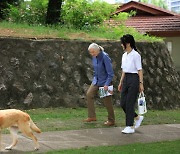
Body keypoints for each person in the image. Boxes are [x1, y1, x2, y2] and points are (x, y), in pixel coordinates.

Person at [84, 43, 115, 126]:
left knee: (107, 101)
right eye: (90, 52)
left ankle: (111, 120)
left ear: (98, 50)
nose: (92, 54)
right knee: (89, 94)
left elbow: (110, 73)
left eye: (93, 52)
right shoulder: (94, 57)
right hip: (96, 81)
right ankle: (92, 116)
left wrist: (106, 84)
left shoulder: (105, 57)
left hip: (105, 82)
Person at [118, 34, 144, 134]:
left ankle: (129, 126)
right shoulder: (124, 55)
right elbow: (124, 70)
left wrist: (141, 83)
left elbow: (139, 70)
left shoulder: (136, 55)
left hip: (134, 79)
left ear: (128, 43)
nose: (121, 45)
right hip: (126, 79)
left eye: (122, 43)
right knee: (123, 103)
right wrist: (121, 82)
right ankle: (137, 117)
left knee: (130, 103)